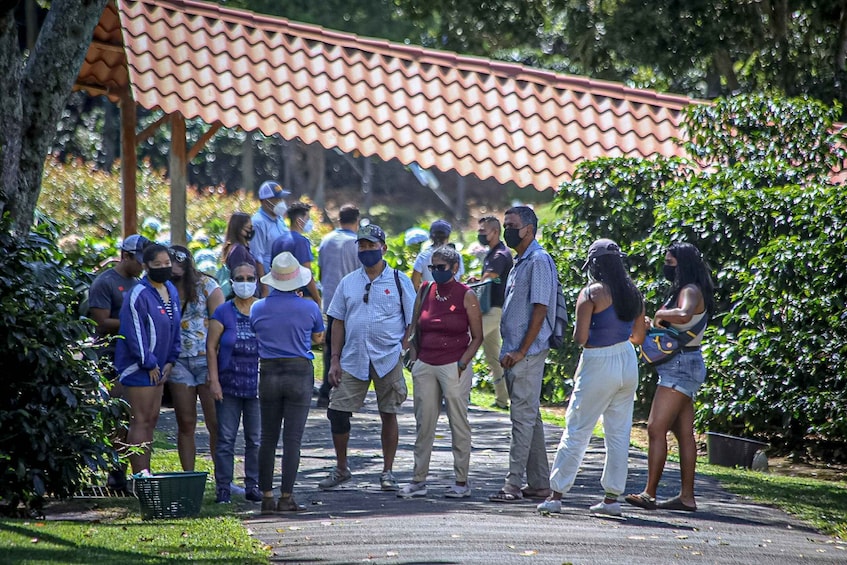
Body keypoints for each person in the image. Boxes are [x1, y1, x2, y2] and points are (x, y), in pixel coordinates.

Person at [537, 239, 646, 517]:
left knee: (577, 427)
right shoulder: (633, 293)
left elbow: (581, 338)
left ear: (594, 265)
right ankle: (611, 499)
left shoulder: (591, 294)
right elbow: (638, 337)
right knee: (619, 433)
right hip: (627, 360)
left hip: (598, 361)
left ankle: (556, 494)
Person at [319, 224, 415, 491]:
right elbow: (336, 321)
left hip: (387, 357)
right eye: (362, 246)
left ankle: (387, 471)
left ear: (383, 248)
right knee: (336, 412)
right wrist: (334, 359)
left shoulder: (399, 280)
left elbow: (412, 319)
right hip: (352, 358)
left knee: (389, 413)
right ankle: (341, 468)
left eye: (371, 246)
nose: (366, 250)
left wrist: (403, 347)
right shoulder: (349, 282)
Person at [625, 242, 714, 513]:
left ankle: (649, 494)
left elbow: (685, 313)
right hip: (685, 364)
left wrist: (660, 314)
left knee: (655, 428)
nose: (667, 266)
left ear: (682, 264)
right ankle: (686, 497)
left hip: (680, 366)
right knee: (684, 434)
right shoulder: (693, 288)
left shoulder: (689, 290)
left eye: (670, 262)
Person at [399, 246, 483, 499]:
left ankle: (461, 480)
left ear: (455, 268)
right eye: (433, 267)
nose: (436, 272)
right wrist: (412, 356)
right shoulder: (425, 290)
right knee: (424, 422)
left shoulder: (466, 295)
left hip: (453, 364)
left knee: (458, 422)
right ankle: (418, 479)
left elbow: (477, 337)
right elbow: (414, 326)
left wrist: (462, 364)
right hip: (425, 362)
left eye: (441, 268)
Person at [488, 205, 557, 503]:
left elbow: (540, 309)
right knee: (531, 419)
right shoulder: (521, 261)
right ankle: (541, 484)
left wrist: (520, 351)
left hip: (526, 354)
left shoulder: (539, 260)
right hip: (515, 352)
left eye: (512, 225)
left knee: (521, 420)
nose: (507, 230)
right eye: (506, 224)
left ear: (528, 228)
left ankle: (512, 485)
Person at [251, 252, 325, 513]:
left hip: (268, 371)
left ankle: (267, 497)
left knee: (267, 437)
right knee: (292, 438)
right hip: (298, 372)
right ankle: (287, 496)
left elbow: (255, 332)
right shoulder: (309, 307)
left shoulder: (257, 307)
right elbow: (318, 337)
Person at [87, 233, 150, 489]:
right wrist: (135, 324)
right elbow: (100, 322)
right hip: (110, 357)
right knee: (117, 414)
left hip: (135, 357)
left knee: (134, 415)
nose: (142, 265)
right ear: (125, 256)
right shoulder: (105, 283)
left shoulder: (139, 283)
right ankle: (115, 470)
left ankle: (129, 468)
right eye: (139, 260)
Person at [115, 243, 181, 475]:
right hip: (139, 367)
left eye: (167, 264)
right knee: (140, 420)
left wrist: (170, 360)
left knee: (152, 419)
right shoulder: (138, 294)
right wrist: (148, 362)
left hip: (161, 366)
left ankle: (146, 471)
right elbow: (133, 332)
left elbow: (175, 328)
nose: (163, 268)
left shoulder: (171, 289)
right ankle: (139, 475)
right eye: (157, 265)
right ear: (146, 266)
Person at [168, 245, 226, 477]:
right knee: (186, 421)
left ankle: (222, 478)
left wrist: (215, 367)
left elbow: (221, 324)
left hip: (206, 359)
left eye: (177, 263)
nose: (173, 268)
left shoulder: (207, 285)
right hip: (179, 361)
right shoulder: (163, 287)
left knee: (215, 423)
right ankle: (188, 476)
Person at [206, 262, 261, 504]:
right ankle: (223, 488)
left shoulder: (262, 309)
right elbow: (211, 347)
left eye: (250, 278)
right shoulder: (223, 312)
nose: (245, 282)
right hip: (228, 386)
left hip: (258, 386)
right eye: (241, 278)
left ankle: (253, 485)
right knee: (226, 438)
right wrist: (214, 381)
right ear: (232, 281)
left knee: (256, 439)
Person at [316, 204, 360, 408]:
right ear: (356, 220)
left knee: (331, 347)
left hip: (331, 300)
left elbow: (321, 270)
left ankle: (327, 388)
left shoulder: (326, 241)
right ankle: (345, 389)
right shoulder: (356, 243)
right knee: (350, 346)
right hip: (352, 301)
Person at [469, 215, 513, 410]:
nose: (480, 235)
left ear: (495, 232)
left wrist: (477, 280)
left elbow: (490, 278)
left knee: (467, 344)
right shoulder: (493, 253)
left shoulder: (499, 255)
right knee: (493, 357)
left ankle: (461, 393)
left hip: (494, 310)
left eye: (483, 231)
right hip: (491, 308)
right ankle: (503, 400)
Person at [270, 201, 321, 307]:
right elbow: (307, 274)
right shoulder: (301, 242)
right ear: (299, 221)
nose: (309, 222)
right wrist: (317, 298)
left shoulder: (278, 241)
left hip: (279, 295)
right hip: (300, 296)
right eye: (307, 218)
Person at [251, 180, 290, 295]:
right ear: (264, 201)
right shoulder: (258, 223)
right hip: (270, 281)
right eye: (277, 199)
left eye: (281, 199)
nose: (281, 203)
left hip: (283, 277)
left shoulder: (279, 219)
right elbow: (257, 257)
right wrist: (264, 288)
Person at [411, 219, 465, 290]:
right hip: (452, 297)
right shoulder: (456, 256)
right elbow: (460, 280)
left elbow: (414, 284)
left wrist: (423, 297)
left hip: (430, 298)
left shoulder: (423, 256)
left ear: (431, 236)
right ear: (448, 236)